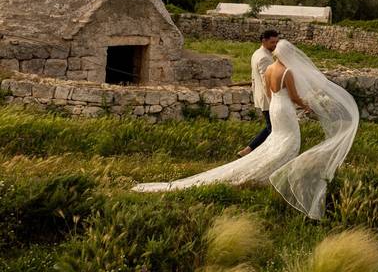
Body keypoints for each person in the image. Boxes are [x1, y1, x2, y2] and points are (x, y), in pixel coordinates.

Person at [133, 40, 360, 220]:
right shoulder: (287, 72)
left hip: (275, 107)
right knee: (290, 142)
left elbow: (271, 93)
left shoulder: (270, 68)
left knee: (276, 141)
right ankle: (271, 175)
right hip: (286, 108)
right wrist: (308, 106)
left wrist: (280, 105)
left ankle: (268, 171)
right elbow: (294, 96)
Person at [237, 29, 280, 158]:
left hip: (263, 96)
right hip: (268, 98)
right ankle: (263, 154)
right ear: (264, 41)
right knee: (273, 128)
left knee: (271, 127)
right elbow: (266, 81)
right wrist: (274, 100)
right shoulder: (264, 58)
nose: (275, 45)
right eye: (272, 42)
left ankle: (248, 150)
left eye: (276, 42)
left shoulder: (258, 53)